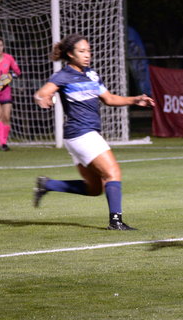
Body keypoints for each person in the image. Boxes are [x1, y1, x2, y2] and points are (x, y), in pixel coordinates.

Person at [33, 33, 155, 230]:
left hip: (79, 136)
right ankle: (116, 222)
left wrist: (135, 99)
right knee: (113, 172)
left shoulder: (91, 74)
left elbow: (109, 99)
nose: (87, 55)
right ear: (71, 54)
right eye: (82, 51)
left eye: (88, 51)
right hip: (81, 133)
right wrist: (44, 98)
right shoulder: (63, 75)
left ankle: (48, 184)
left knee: (94, 188)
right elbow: (41, 93)